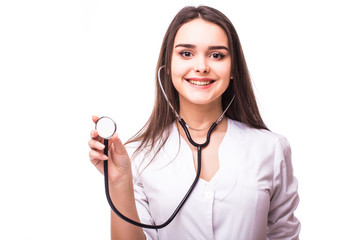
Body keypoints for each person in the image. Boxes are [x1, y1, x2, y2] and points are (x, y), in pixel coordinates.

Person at [88, 5, 300, 240]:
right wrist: (119, 184)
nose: (202, 66)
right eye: (186, 53)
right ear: (168, 67)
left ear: (233, 69)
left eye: (217, 55)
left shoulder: (271, 149)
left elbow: (285, 235)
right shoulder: (138, 155)